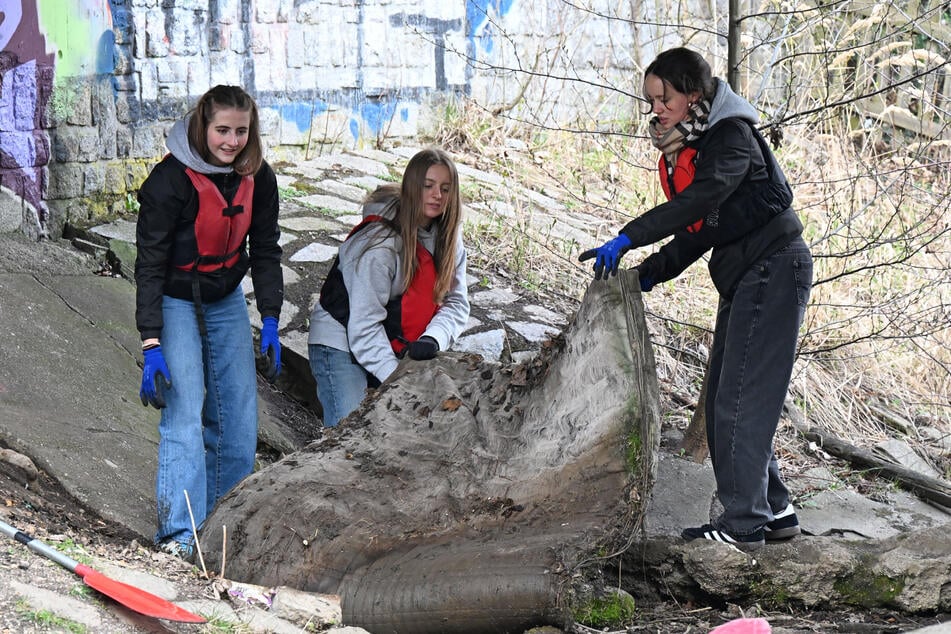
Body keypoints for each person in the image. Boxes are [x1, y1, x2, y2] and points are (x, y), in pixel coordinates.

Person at [579, 47, 813, 551]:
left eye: (662, 98)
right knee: (733, 396)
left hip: (772, 268)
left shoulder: (730, 136)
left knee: (738, 399)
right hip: (751, 274)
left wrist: (629, 234)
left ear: (691, 92)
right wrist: (643, 276)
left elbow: (700, 202)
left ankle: (743, 523)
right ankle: (774, 510)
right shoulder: (704, 147)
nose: (656, 111)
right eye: (650, 102)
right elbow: (697, 232)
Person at [134, 85, 283, 559]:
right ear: (203, 125)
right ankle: (179, 536)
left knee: (239, 420)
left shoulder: (258, 179)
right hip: (175, 300)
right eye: (223, 130)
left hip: (224, 300)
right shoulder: (168, 182)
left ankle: (223, 531)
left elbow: (265, 249)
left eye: (242, 131)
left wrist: (273, 317)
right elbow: (150, 265)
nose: (232, 140)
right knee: (184, 414)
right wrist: (151, 344)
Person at [308, 148, 470, 427]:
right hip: (341, 340)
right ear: (411, 188)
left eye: (445, 189)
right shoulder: (378, 246)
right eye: (428, 186)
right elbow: (364, 328)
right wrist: (399, 382)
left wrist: (434, 338)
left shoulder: (449, 238)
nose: (437, 196)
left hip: (392, 340)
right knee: (351, 431)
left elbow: (457, 302)